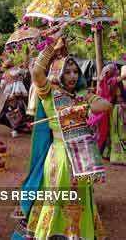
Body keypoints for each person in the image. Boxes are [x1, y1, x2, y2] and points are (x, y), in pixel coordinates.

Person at [12, 25, 110, 240]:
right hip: (60, 155)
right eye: (68, 71)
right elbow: (36, 72)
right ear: (58, 72)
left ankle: (78, 234)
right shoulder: (50, 93)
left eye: (76, 71)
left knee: (81, 195)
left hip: (83, 155)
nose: (73, 75)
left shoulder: (83, 94)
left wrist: (83, 102)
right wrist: (50, 46)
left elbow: (105, 106)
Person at [92, 64, 126, 163]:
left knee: (111, 133)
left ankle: (106, 153)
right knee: (117, 133)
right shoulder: (111, 81)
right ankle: (117, 157)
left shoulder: (105, 81)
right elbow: (122, 78)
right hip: (115, 110)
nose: (117, 71)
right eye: (115, 70)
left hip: (111, 109)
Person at [0, 58, 30, 138]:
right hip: (17, 96)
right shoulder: (18, 71)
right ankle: (14, 131)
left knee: (5, 111)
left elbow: (2, 85)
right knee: (17, 114)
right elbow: (25, 73)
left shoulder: (5, 74)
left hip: (9, 96)